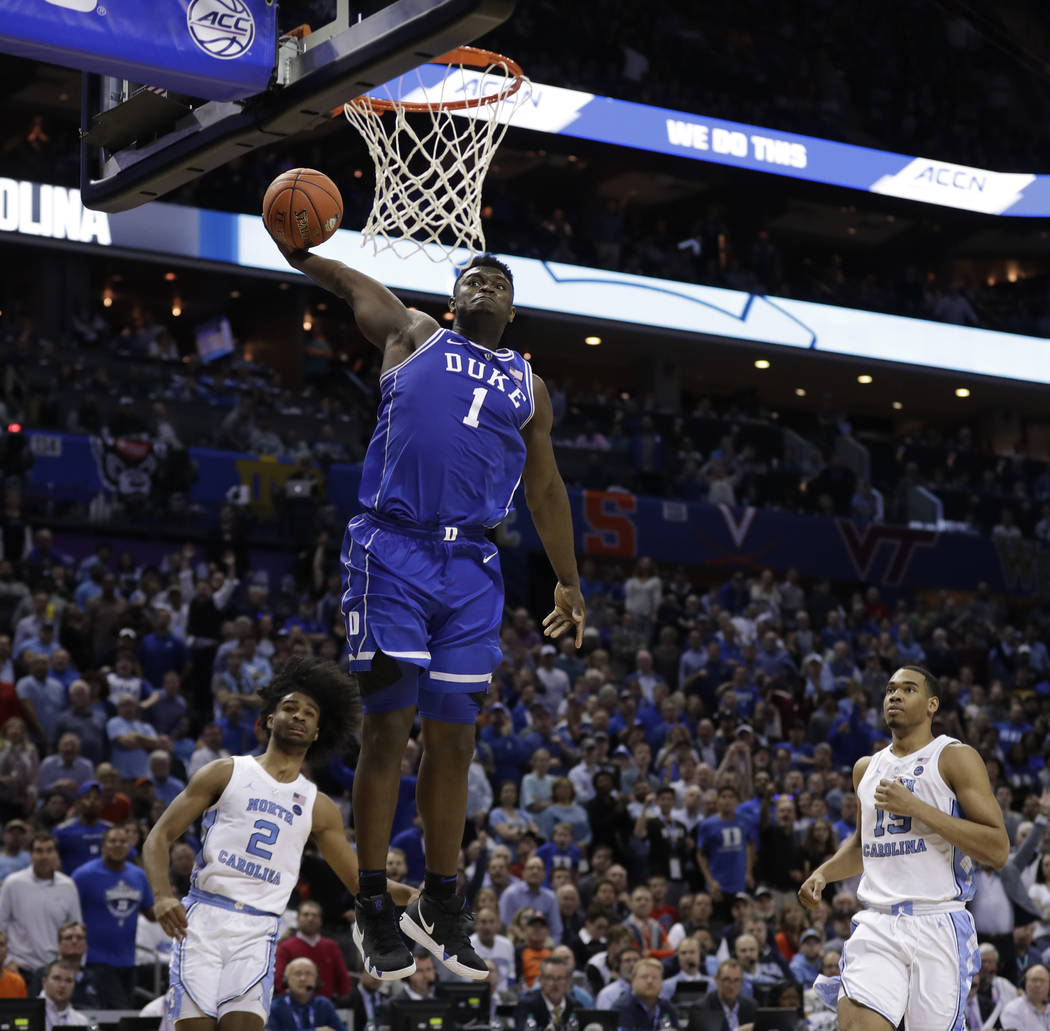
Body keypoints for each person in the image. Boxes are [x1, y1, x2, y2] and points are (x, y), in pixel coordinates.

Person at [271, 239, 585, 983]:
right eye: (473, 277)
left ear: (511, 309)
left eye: (499, 280)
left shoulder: (528, 386)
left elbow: (545, 489)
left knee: (456, 741)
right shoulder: (414, 333)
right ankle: (374, 901)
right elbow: (349, 283)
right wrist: (300, 247)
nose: (485, 284)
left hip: (473, 565)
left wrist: (568, 582)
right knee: (389, 726)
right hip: (392, 547)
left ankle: (442, 901)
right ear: (455, 298)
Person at [142, 657, 414, 1031]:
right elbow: (158, 836)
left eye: (308, 713)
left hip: (258, 930)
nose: (299, 716)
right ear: (269, 719)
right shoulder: (225, 771)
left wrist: (416, 896)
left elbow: (359, 884)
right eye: (289, 708)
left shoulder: (319, 807)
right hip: (203, 918)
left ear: (318, 731)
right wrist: (162, 895)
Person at [798, 665, 1010, 1031]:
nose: (894, 695)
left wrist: (917, 809)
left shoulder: (953, 757)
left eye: (908, 689)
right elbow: (863, 845)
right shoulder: (867, 768)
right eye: (890, 689)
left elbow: (997, 848)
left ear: (932, 705)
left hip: (937, 921)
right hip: (877, 921)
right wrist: (824, 872)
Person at [71, 824, 154, 1007]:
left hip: (129, 960)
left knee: (122, 1015)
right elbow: (69, 914)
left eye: (123, 841)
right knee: (118, 1012)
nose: (118, 845)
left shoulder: (138, 876)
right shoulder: (84, 875)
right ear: (103, 846)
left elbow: (151, 913)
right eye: (112, 841)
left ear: (129, 846)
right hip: (95, 960)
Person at [0, 831, 81, 975]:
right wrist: (7, 961)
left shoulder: (68, 886)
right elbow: (1, 925)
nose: (44, 856)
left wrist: (74, 964)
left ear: (56, 854)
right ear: (30, 855)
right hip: (19, 967)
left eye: (49, 850)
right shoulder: (13, 884)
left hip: (56, 969)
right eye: (39, 851)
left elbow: (76, 929)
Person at [274, 900, 352, 1002]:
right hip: (293, 1008)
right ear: (297, 919)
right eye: (306, 915)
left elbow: (343, 980)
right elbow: (277, 979)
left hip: (324, 1009)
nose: (310, 918)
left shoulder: (331, 946)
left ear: (320, 920)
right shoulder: (285, 947)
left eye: (314, 915)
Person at [267, 957, 347, 1031]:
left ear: (316, 980)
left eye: (308, 974)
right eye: (297, 974)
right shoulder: (274, 1008)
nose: (303, 978)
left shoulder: (323, 1005)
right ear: (286, 979)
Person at [513, 955, 579, 1031]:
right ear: (541, 980)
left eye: (560, 978)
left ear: (568, 981)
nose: (554, 983)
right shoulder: (526, 1005)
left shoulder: (575, 1006)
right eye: (549, 977)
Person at [613, 957, 679, 1031]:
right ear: (633, 981)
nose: (650, 981)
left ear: (661, 982)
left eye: (654, 977)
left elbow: (671, 1027)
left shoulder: (666, 1007)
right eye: (644, 977)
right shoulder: (622, 1007)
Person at [695, 959, 758, 1031]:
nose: (732, 986)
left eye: (737, 980)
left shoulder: (751, 1006)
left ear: (742, 981)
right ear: (716, 980)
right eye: (727, 980)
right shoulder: (703, 1008)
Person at [39, 960, 89, 1031]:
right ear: (44, 982)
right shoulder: (28, 1013)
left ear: (74, 985)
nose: (63, 985)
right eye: (57, 978)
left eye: (68, 980)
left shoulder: (81, 1022)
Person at [1000, 963, 1050, 1031]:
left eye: (1042, 981)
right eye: (1034, 980)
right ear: (1025, 983)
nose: (1038, 985)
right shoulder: (1012, 1010)